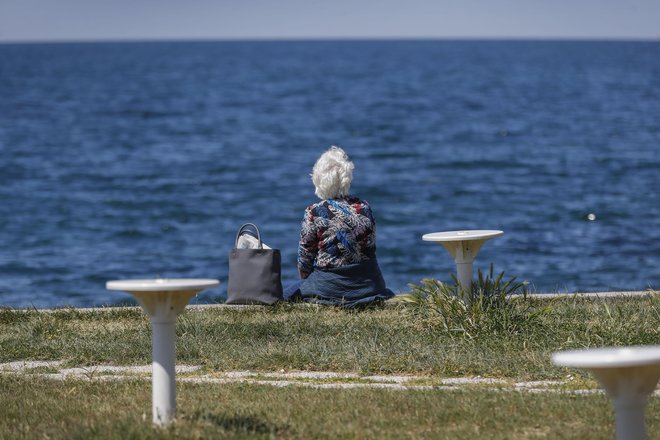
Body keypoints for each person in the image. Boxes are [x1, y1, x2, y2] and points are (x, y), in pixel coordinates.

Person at [284, 146, 394, 307]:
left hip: (330, 287)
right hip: (369, 285)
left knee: (286, 294)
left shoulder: (314, 212)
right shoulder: (364, 207)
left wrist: (310, 282)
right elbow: (369, 248)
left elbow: (304, 262)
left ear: (319, 180)